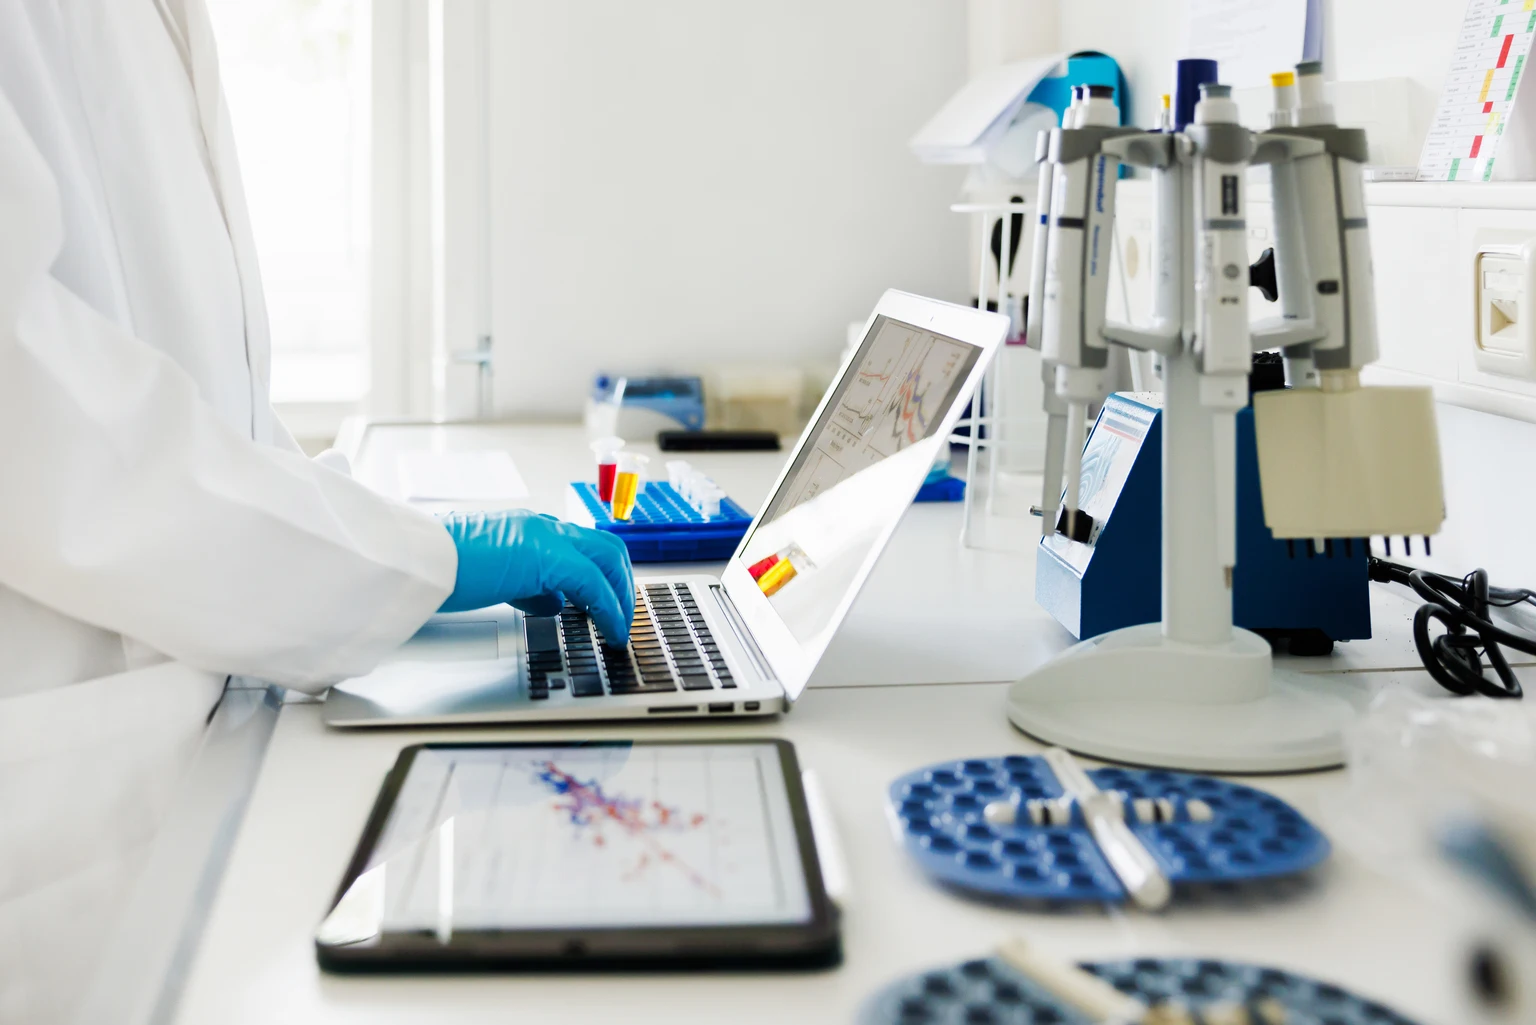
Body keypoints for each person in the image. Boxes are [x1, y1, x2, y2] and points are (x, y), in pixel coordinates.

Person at [0, 1, 633, 1019]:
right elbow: (34, 418)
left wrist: (372, 543)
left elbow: (197, 394)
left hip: (187, 710)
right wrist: (400, 561)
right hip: (70, 784)